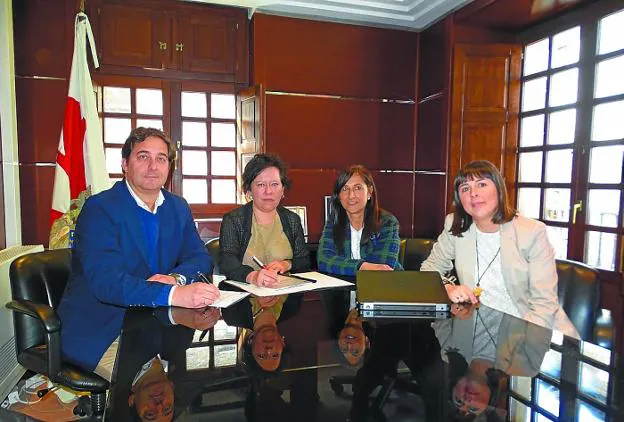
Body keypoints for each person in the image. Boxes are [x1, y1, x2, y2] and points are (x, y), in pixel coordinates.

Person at [57, 127, 220, 381]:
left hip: (157, 323)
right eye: (143, 157)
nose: (153, 166)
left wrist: (176, 279)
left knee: (214, 373)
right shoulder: (100, 209)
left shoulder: (177, 207)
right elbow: (106, 282)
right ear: (125, 164)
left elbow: (200, 258)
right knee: (149, 387)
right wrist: (174, 293)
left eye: (161, 158)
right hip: (104, 328)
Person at [421, 160, 578, 337]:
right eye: (465, 188)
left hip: (531, 333)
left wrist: (516, 350)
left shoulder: (532, 232)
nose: (473, 193)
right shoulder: (455, 225)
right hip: (476, 330)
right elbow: (429, 270)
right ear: (459, 199)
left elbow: (544, 305)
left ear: (498, 189)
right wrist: (448, 287)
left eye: (481, 184)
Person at [219, 153, 310, 286]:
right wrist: (253, 276)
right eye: (261, 185)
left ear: (283, 190)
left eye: (274, 184)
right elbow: (227, 261)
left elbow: (304, 260)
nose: (268, 191)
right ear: (249, 191)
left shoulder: (292, 220)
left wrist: (286, 264)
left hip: (283, 292)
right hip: (247, 294)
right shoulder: (234, 220)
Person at [317, 165, 402, 276]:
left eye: (357, 188)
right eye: (345, 189)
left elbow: (382, 268)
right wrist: (361, 266)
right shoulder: (334, 221)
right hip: (347, 291)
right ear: (338, 196)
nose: (351, 195)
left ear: (369, 192)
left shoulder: (387, 222)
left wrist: (344, 266)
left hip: (384, 290)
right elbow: (323, 260)